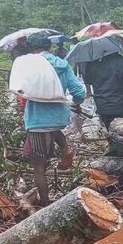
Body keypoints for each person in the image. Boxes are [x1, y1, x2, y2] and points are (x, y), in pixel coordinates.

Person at [21, 32, 86, 207]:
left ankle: (45, 205)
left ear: (30, 48)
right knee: (53, 130)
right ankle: (65, 147)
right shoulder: (62, 64)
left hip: (37, 120)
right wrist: (76, 104)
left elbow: (19, 89)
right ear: (48, 46)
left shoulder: (29, 65)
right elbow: (79, 93)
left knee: (39, 167)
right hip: (59, 117)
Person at [83, 51, 123, 129]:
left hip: (102, 104)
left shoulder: (93, 64)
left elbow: (88, 80)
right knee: (120, 130)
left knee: (107, 129)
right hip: (120, 104)